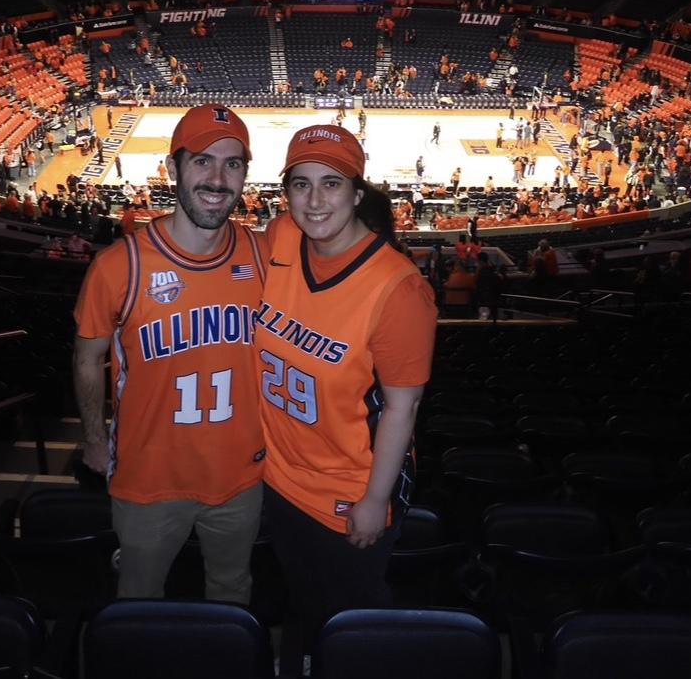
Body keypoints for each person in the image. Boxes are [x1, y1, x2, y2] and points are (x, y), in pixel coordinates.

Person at [256, 125, 437, 664]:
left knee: (352, 624)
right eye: (301, 185)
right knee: (304, 605)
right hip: (278, 479)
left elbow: (403, 407)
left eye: (331, 184)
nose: (314, 201)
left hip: (346, 490)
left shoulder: (398, 289)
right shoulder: (281, 239)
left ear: (358, 193)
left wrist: (375, 500)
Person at [73, 105, 266, 602]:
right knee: (138, 596)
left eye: (233, 164)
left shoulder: (266, 257)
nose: (218, 178)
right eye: (202, 161)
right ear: (172, 168)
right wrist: (95, 438)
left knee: (233, 590)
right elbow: (87, 358)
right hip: (148, 475)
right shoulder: (120, 265)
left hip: (241, 475)